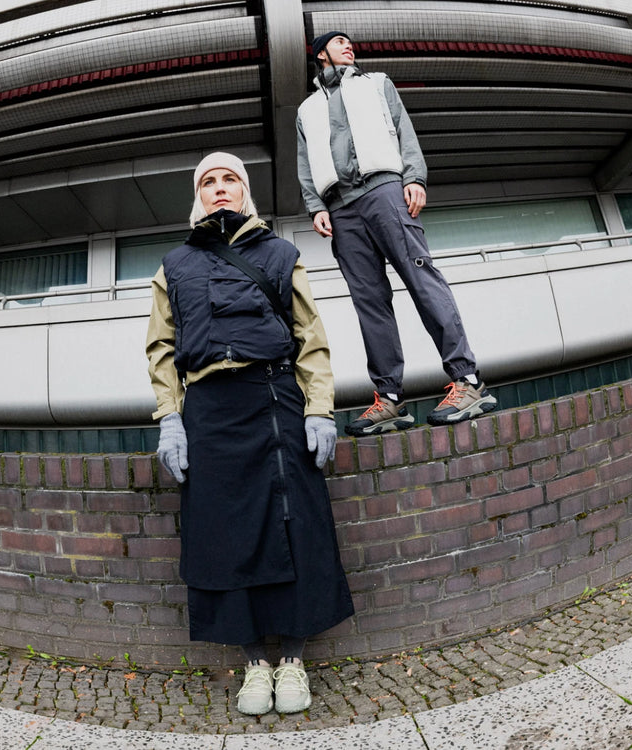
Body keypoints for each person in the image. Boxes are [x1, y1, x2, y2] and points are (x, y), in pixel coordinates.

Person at [145, 152, 354, 716]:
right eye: (208, 182)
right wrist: (170, 419)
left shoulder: (282, 255)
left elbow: (310, 338)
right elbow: (161, 348)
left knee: (295, 524)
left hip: (275, 400)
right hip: (208, 411)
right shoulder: (172, 267)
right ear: (198, 195)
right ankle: (255, 663)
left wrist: (319, 409)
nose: (219, 188)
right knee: (222, 533)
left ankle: (292, 658)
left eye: (229, 179)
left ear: (245, 190)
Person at [296, 31, 497, 435]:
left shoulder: (377, 83)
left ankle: (468, 381)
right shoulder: (306, 109)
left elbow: (404, 131)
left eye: (350, 42)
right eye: (339, 42)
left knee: (422, 280)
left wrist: (414, 177)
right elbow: (305, 161)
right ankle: (390, 399)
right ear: (320, 54)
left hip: (385, 190)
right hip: (341, 209)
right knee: (369, 302)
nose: (349, 46)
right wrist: (315, 206)